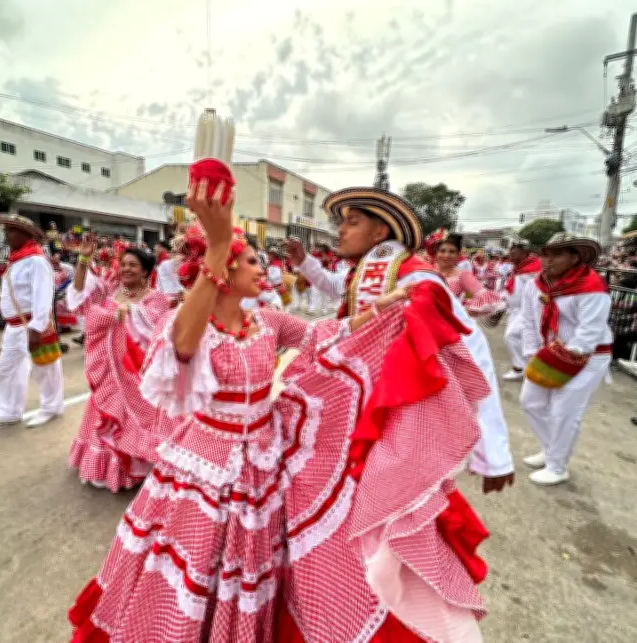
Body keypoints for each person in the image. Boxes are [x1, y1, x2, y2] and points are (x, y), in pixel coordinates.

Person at [67, 180, 402, 642]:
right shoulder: (190, 325)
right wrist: (220, 242)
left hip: (263, 461)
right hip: (206, 462)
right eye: (249, 262)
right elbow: (182, 346)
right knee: (199, 562)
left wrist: (380, 312)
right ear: (222, 272)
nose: (261, 269)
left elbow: (328, 334)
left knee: (247, 564)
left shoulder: (267, 321)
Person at [286, 188, 515, 494]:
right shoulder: (367, 271)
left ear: (379, 232)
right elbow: (339, 288)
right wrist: (305, 263)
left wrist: (494, 454)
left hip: (398, 413)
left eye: (352, 222)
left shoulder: (415, 279)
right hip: (362, 403)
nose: (340, 230)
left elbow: (469, 354)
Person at [65, 234, 178, 490]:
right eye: (123, 264)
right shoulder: (113, 289)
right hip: (108, 369)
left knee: (139, 417)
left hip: (135, 372)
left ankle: (136, 464)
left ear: (146, 271)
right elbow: (80, 292)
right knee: (104, 413)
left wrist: (124, 313)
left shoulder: (156, 298)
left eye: (133, 265)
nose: (126, 269)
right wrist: (83, 259)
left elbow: (153, 327)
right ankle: (104, 465)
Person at [519, 233, 612, 486]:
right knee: (530, 402)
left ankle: (558, 466)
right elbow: (528, 321)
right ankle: (551, 451)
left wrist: (562, 360)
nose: (549, 260)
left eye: (558, 254)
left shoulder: (592, 288)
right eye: (546, 253)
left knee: (564, 411)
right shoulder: (534, 285)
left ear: (574, 258)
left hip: (588, 356)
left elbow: (589, 334)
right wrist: (532, 354)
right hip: (548, 353)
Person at [0, 215, 64, 429]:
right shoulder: (16, 261)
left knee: (45, 369)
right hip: (13, 326)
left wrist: (37, 328)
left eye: (11, 231)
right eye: (6, 230)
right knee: (6, 367)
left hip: (32, 324)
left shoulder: (37, 261)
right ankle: (9, 412)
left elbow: (43, 296)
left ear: (25, 235)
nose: (6, 235)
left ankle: (51, 408)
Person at [433, 233, 506, 318]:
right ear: (436, 253)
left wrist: (461, 311)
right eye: (442, 251)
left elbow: (483, 297)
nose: (446, 255)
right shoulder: (427, 272)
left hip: (447, 325)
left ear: (458, 255)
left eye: (452, 252)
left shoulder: (463, 275)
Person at [502, 241, 541, 381]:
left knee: (511, 335)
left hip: (526, 310)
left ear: (525, 253)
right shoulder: (518, 268)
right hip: (514, 310)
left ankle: (520, 368)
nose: (510, 256)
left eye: (514, 253)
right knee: (521, 338)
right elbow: (513, 289)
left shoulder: (533, 268)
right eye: (510, 253)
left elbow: (536, 292)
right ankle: (527, 368)